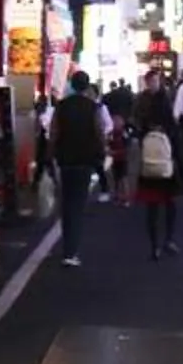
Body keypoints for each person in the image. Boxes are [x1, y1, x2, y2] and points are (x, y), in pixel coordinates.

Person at [52, 75, 106, 267]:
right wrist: (101, 151)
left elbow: (54, 132)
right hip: (85, 159)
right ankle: (71, 251)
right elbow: (99, 131)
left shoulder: (61, 106)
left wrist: (53, 154)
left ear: (72, 85)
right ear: (86, 86)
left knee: (66, 204)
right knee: (77, 205)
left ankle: (67, 246)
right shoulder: (92, 107)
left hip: (65, 159)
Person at [133, 84, 183, 259]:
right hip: (168, 171)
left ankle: (154, 245)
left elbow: (141, 147)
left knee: (152, 208)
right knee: (170, 205)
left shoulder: (146, 126)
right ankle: (169, 239)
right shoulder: (171, 127)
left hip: (149, 171)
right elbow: (178, 151)